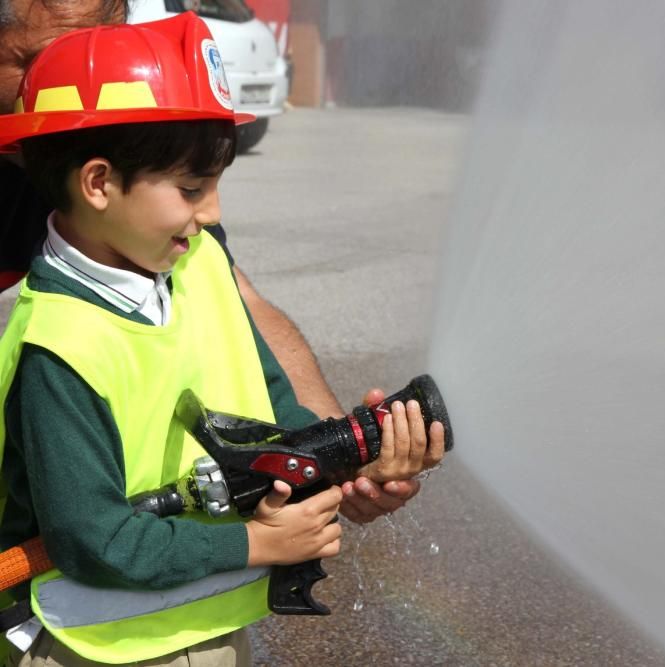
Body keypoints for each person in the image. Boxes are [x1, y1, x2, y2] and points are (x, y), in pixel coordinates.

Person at [0, 12, 445, 667]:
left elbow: (272, 406)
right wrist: (256, 545)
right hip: (96, 644)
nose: (211, 211)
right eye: (190, 188)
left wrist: (353, 454)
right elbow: (90, 536)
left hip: (203, 623)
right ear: (97, 183)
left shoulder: (196, 262)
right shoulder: (60, 344)